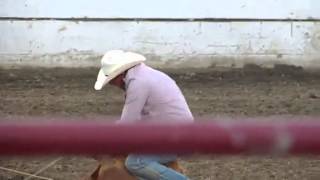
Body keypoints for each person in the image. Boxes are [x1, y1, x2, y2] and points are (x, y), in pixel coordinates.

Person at [94, 50, 194, 180]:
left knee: (136, 162)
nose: (113, 85)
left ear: (119, 75)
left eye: (112, 81)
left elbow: (127, 124)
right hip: (179, 133)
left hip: (176, 137)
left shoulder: (138, 83)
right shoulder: (148, 75)